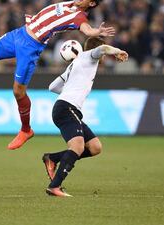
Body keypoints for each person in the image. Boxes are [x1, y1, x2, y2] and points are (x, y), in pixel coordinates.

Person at [0, 0, 115, 150]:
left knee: (18, 91)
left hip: (30, 47)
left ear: (92, 3)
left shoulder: (79, 17)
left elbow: (87, 29)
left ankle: (26, 130)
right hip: (20, 34)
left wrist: (96, 31)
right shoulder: (70, 4)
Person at [42, 37, 128, 197]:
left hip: (66, 107)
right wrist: (117, 51)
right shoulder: (89, 57)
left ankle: (53, 158)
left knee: (95, 147)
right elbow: (102, 49)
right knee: (78, 147)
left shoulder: (75, 64)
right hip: (66, 107)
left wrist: (70, 90)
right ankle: (54, 187)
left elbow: (52, 87)